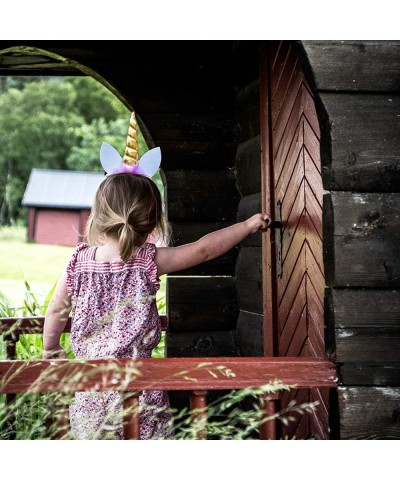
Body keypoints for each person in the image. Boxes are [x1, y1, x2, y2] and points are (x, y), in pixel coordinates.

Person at [43, 170, 271, 440]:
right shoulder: (148, 261)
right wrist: (246, 226)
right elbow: (203, 249)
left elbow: (57, 309)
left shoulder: (78, 262)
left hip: (92, 388)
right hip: (140, 386)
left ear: (100, 215)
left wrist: (51, 349)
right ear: (150, 221)